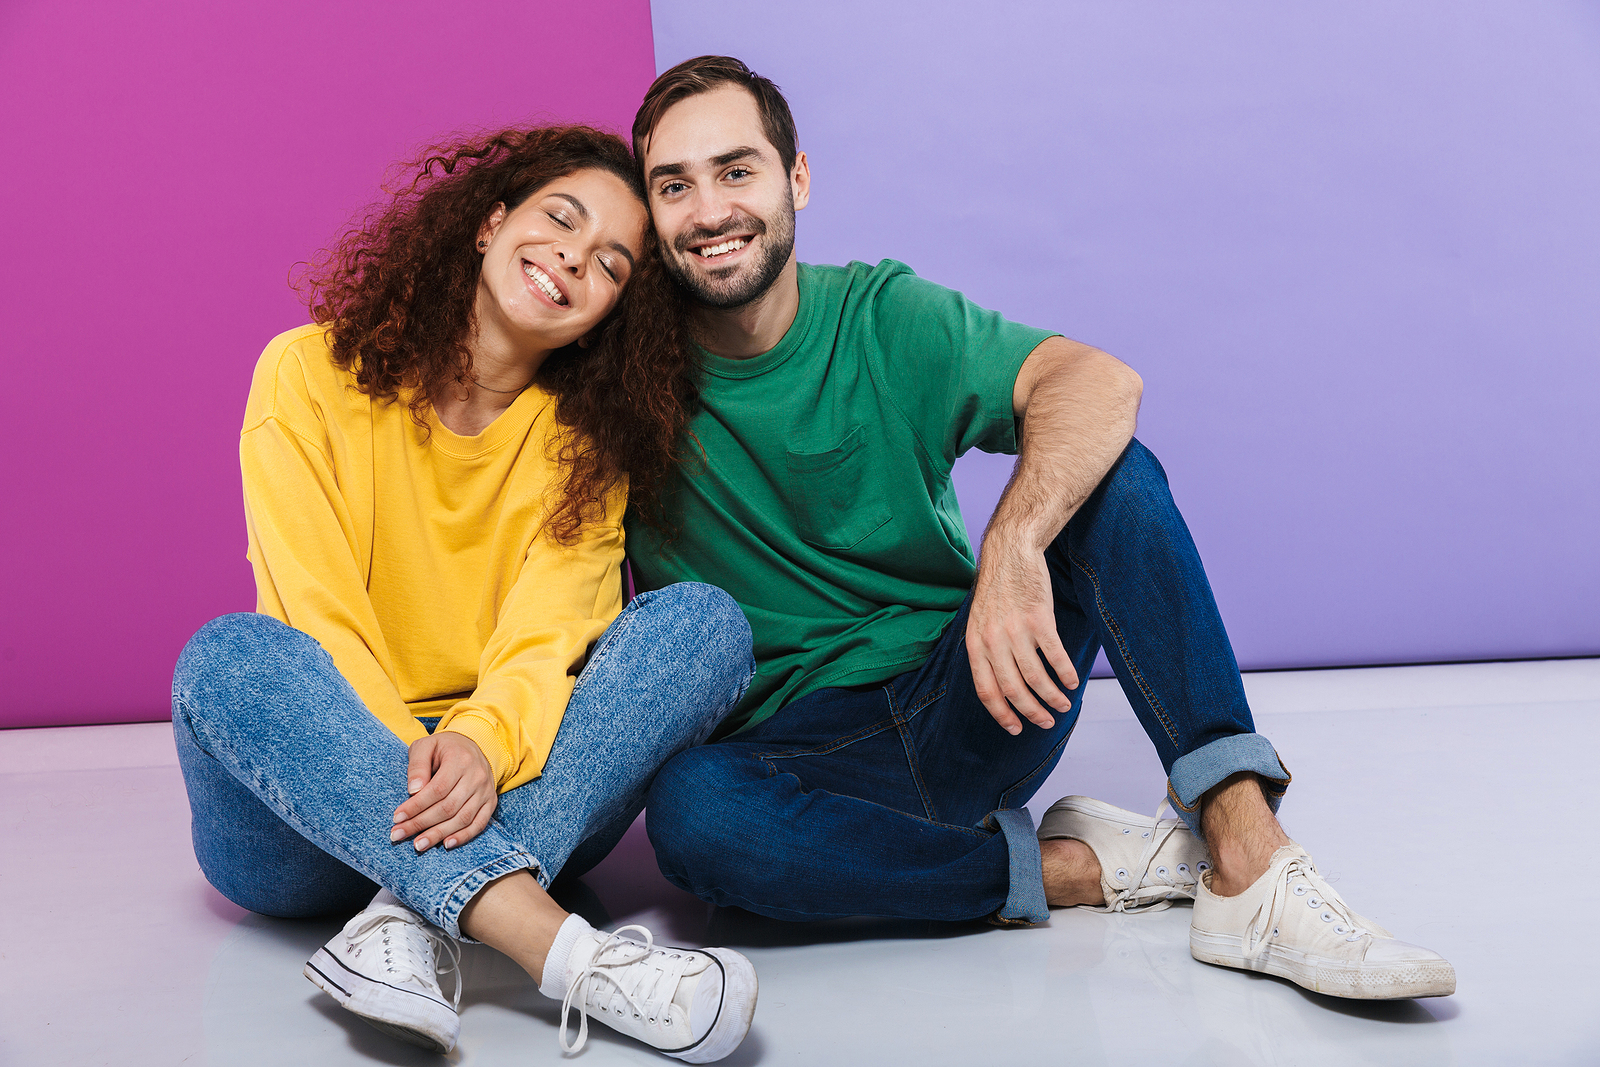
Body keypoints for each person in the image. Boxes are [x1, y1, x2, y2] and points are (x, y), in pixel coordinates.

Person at [626, 56, 1456, 1002]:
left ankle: (1246, 856)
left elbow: (1099, 382)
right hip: (798, 757)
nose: (709, 209)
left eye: (737, 171)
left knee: (1115, 475)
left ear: (796, 179)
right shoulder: (615, 377)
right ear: (649, 215)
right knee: (693, 814)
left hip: (974, 692)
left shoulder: (880, 315)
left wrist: (1012, 546)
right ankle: (1079, 869)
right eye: (674, 185)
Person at [171, 125, 760, 1063]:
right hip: (311, 813)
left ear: (611, 310)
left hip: (509, 790)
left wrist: (482, 742)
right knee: (229, 654)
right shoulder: (304, 374)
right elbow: (314, 612)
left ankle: (403, 919)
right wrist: (416, 767)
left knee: (703, 626)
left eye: (609, 262)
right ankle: (567, 953)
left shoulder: (584, 446)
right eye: (560, 219)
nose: (573, 255)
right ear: (489, 224)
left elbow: (546, 638)